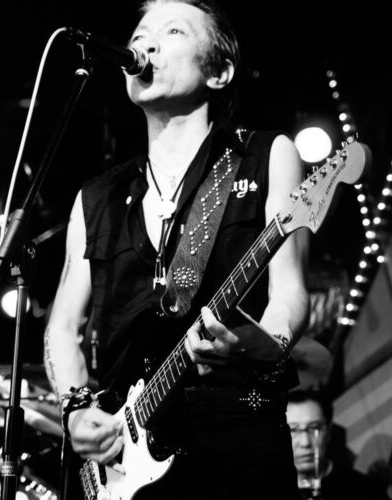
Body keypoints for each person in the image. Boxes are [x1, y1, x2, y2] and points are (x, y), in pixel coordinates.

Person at [44, 0, 310, 498]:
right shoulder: (97, 197)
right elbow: (62, 326)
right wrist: (76, 409)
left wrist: (255, 344)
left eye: (172, 31)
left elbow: (290, 293)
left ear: (219, 72)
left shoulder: (264, 155)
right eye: (139, 34)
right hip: (125, 462)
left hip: (235, 440)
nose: (145, 44)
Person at [287, 389, 389, 500]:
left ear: (329, 432)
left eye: (315, 428)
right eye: (292, 430)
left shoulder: (367, 490)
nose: (305, 442)